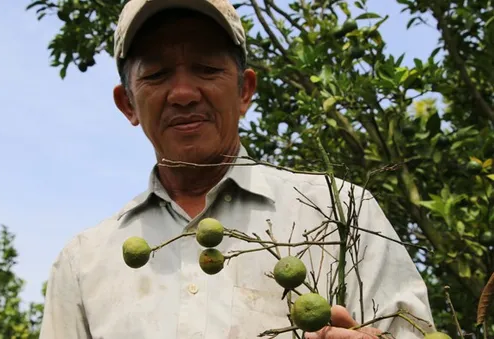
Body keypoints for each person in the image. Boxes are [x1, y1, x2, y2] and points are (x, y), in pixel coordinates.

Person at [39, 0, 436, 338]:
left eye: (207, 69)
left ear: (244, 90)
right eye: (157, 74)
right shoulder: (84, 262)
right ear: (128, 104)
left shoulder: (342, 211)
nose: (182, 93)